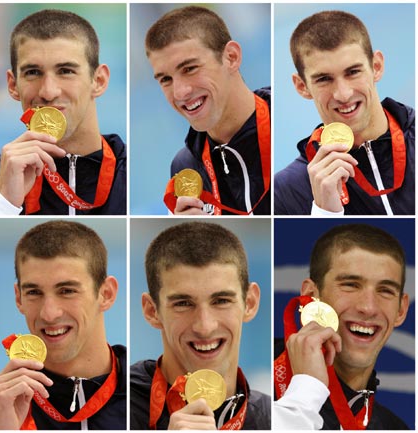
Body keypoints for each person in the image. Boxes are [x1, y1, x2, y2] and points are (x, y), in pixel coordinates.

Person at [0, 9, 127, 215]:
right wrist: (3, 204)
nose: (48, 92)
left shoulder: (134, 173)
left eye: (66, 71)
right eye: (33, 73)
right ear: (13, 85)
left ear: (99, 81)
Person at [0, 220, 126, 429]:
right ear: (19, 298)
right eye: (34, 292)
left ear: (106, 294)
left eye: (67, 291)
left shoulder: (146, 396)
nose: (49, 314)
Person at [131, 222, 270, 430]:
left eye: (221, 301)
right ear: (152, 311)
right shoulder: (119, 405)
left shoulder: (272, 419)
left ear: (249, 303)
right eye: (183, 304)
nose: (205, 327)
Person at [275, 10, 415, 215]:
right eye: (324, 79)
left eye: (353, 72)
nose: (343, 94)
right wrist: (324, 214)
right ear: (302, 86)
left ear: (376, 66)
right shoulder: (286, 192)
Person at [274, 224, 410, 429]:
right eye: (351, 285)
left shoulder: (394, 428)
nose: (368, 307)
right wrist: (306, 391)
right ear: (311, 296)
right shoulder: (251, 388)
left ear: (401, 310)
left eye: (385, 290)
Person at [144, 6, 270, 216]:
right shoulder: (184, 168)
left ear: (231, 57)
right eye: (166, 79)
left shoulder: (293, 135)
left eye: (190, 69)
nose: (180, 93)